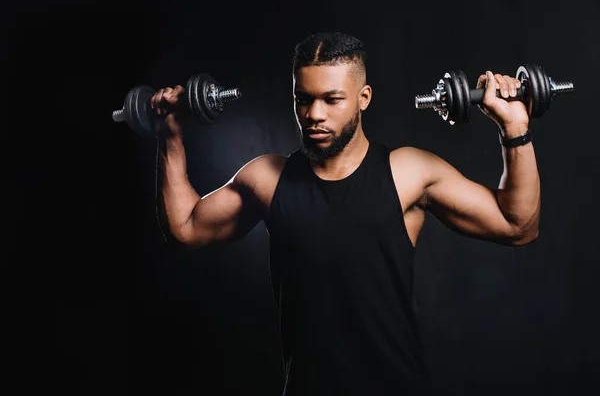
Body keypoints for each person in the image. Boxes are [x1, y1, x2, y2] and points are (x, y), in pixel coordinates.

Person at [149, 32, 540, 395]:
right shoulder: (268, 179)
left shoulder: (409, 174)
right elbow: (185, 228)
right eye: (304, 98)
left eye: (332, 99)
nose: (314, 114)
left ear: (363, 97)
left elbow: (517, 225)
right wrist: (171, 135)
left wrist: (515, 128)